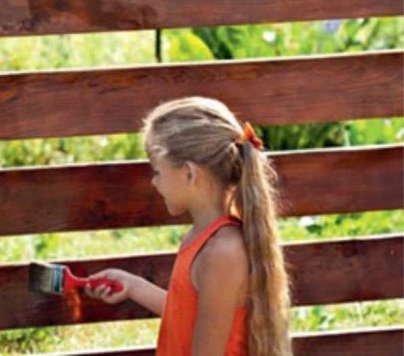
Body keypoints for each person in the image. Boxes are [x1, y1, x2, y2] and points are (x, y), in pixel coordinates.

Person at [85, 97, 291, 356]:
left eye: (157, 171)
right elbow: (187, 314)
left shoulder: (222, 253)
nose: (154, 182)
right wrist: (133, 286)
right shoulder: (203, 239)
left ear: (189, 174)